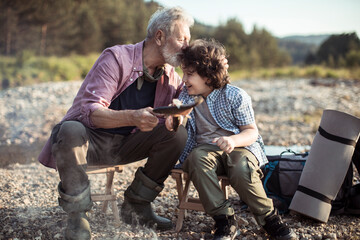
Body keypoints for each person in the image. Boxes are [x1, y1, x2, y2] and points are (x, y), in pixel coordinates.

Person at [38, 7, 194, 240]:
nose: (186, 47)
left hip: (127, 145)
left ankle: (136, 206)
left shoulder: (171, 74)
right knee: (69, 129)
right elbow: (90, 110)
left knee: (177, 134)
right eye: (182, 39)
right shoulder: (116, 58)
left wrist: (178, 115)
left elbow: (188, 100)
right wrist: (132, 117)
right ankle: (77, 216)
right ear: (160, 36)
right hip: (89, 143)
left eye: (188, 41)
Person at [166, 39, 297, 240]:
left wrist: (234, 141)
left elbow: (251, 132)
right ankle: (224, 219)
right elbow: (179, 115)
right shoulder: (186, 95)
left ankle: (270, 219)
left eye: (189, 74)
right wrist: (174, 120)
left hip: (240, 147)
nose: (184, 79)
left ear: (208, 76)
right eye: (184, 73)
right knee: (195, 158)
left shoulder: (235, 96)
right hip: (206, 151)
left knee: (241, 168)